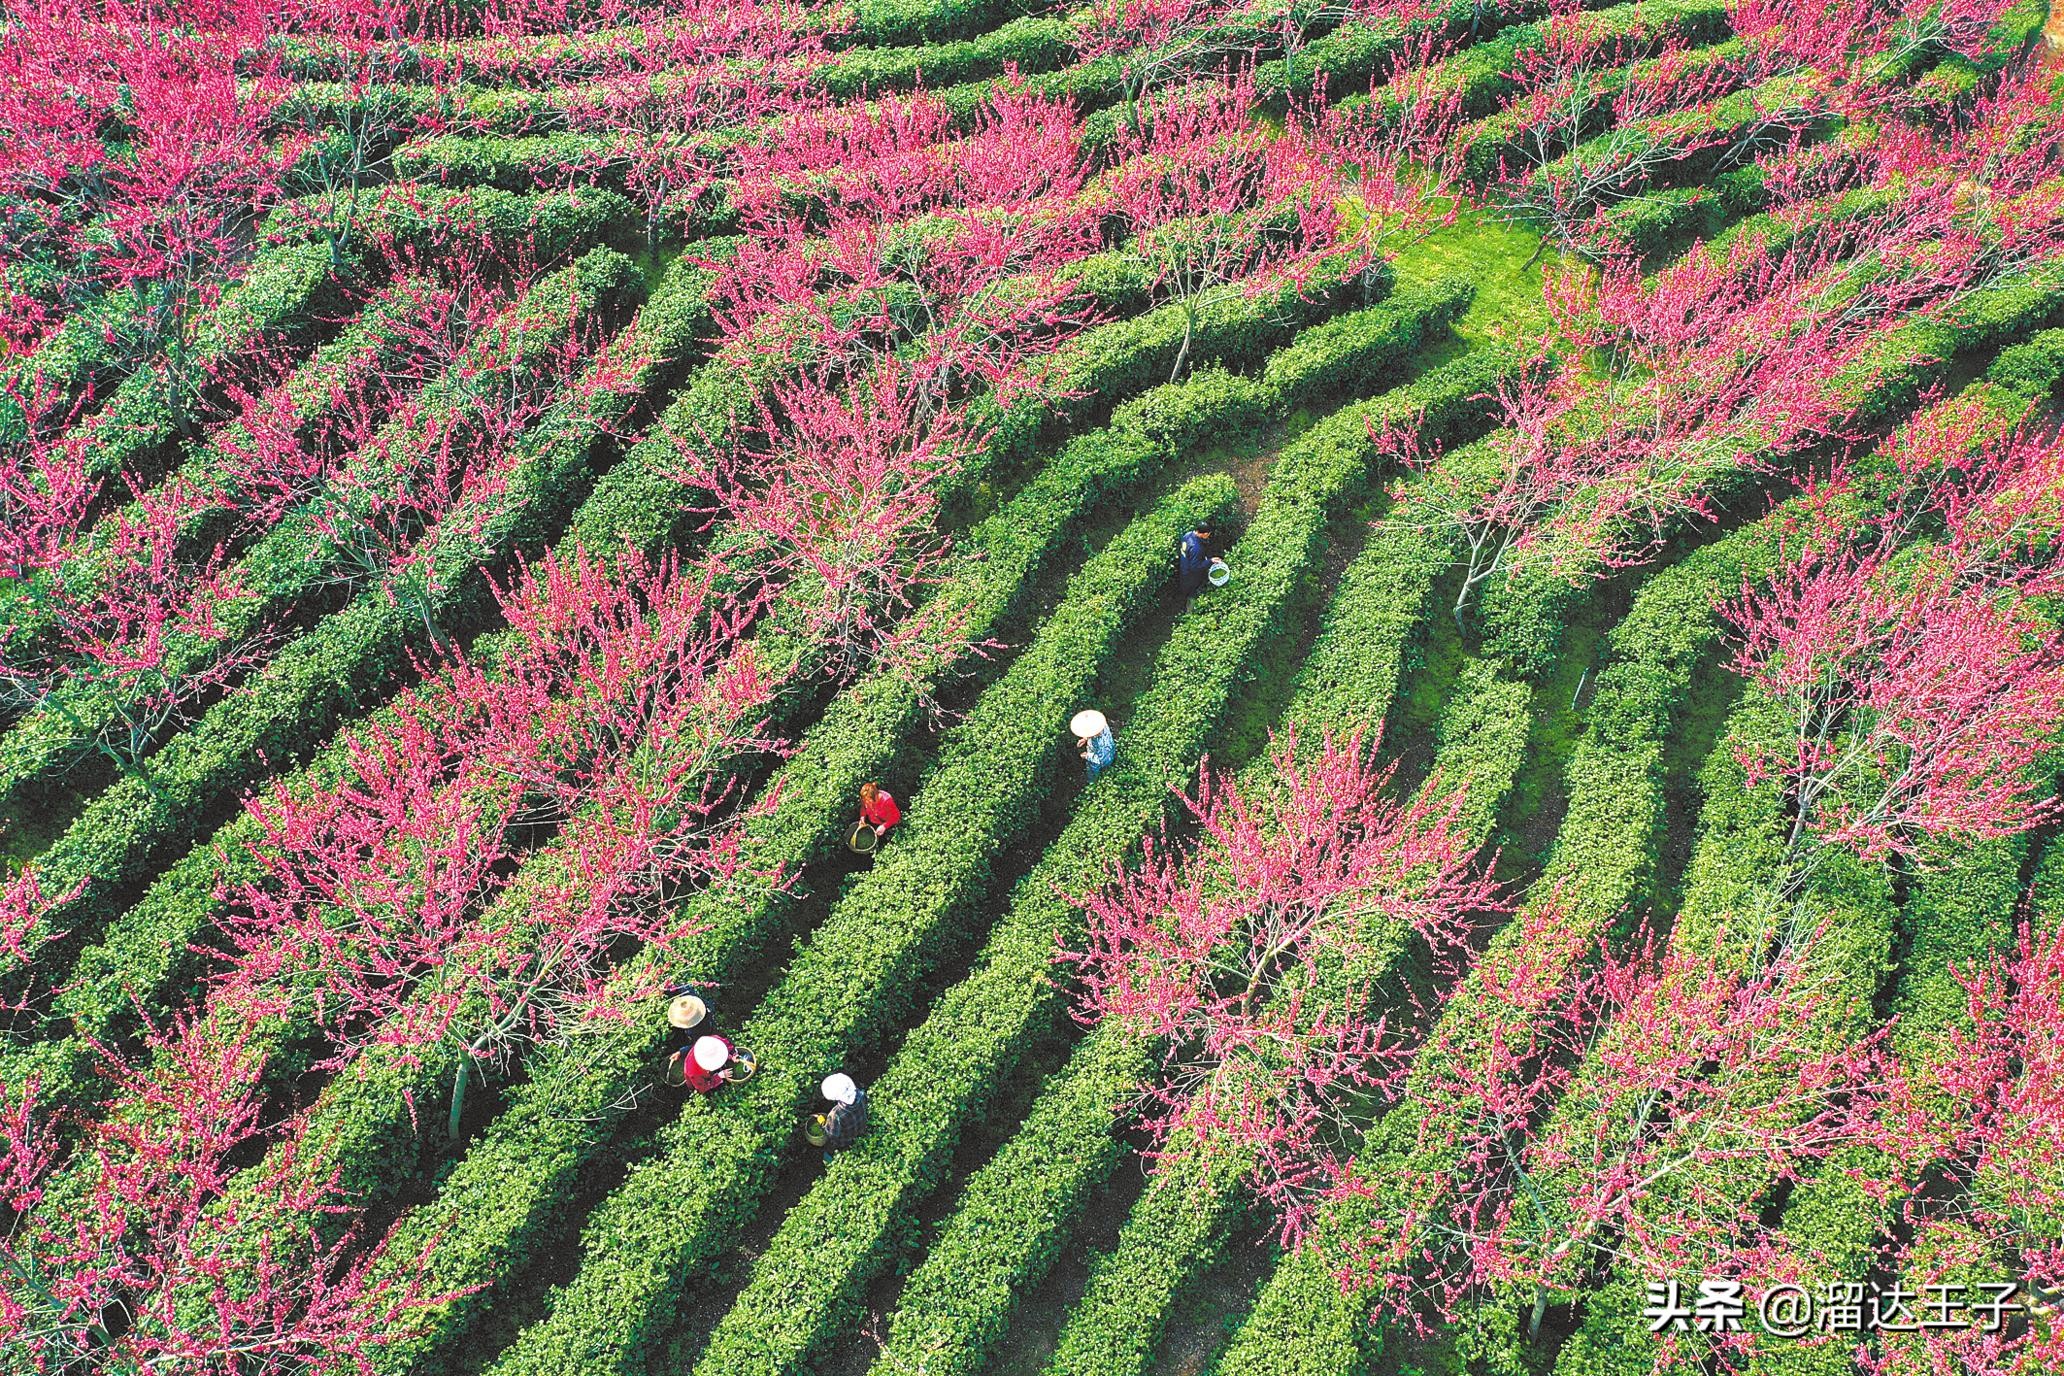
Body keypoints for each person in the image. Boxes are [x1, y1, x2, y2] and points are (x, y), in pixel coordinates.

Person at [806, 1072, 869, 1159]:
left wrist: (823, 1123)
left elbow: (832, 1135)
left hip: (846, 1139)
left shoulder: (836, 1114)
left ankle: (830, 1156)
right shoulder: (861, 1094)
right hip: (861, 1127)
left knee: (832, 1146)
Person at [673, 1033, 743, 1094]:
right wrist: (718, 1077)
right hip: (699, 1077)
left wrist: (732, 1055)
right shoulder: (693, 1071)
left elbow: (727, 1045)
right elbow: (702, 1088)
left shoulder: (714, 1041)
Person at [1072, 709, 1114, 783]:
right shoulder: (1102, 725)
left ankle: (1093, 782)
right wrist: (1085, 739)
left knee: (1093, 771)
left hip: (1104, 758)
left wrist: (1086, 756)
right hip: (1110, 750)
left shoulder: (1100, 743)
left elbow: (1099, 760)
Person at [1176, 526, 1213, 598]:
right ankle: (1188, 598)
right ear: (1205, 534)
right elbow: (1195, 567)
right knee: (1190, 588)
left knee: (1184, 583)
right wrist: (1210, 561)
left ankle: (1184, 594)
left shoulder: (1188, 535)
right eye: (1208, 534)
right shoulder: (1196, 548)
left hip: (1184, 565)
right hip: (1190, 573)